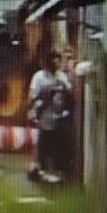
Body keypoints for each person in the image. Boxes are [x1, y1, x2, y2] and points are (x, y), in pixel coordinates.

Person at [27, 51, 72, 182]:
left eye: (57, 60)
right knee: (43, 147)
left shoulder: (61, 76)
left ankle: (56, 174)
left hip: (59, 120)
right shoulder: (39, 77)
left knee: (57, 148)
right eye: (53, 60)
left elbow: (69, 92)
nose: (55, 63)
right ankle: (41, 172)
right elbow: (32, 96)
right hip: (44, 119)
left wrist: (63, 85)